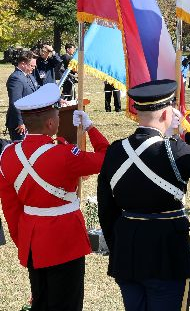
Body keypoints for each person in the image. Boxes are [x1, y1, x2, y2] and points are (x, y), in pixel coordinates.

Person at [97, 79, 190, 311]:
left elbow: (106, 209)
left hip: (127, 252)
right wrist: (187, 131)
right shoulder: (174, 148)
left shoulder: (115, 150)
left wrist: (119, 247)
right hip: (167, 254)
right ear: (167, 115)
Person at [0, 83, 108, 310]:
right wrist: (90, 128)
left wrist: (23, 241)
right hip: (65, 239)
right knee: (67, 303)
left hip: (32, 240)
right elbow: (107, 157)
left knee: (41, 301)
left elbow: (10, 207)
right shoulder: (65, 154)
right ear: (50, 123)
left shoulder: (8, 155)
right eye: (58, 115)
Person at [6, 51, 38, 141]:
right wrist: (20, 122)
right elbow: (15, 102)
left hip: (30, 120)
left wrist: (57, 99)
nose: (34, 68)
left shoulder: (29, 76)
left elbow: (39, 90)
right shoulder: (16, 78)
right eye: (32, 66)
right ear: (23, 64)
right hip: (20, 125)